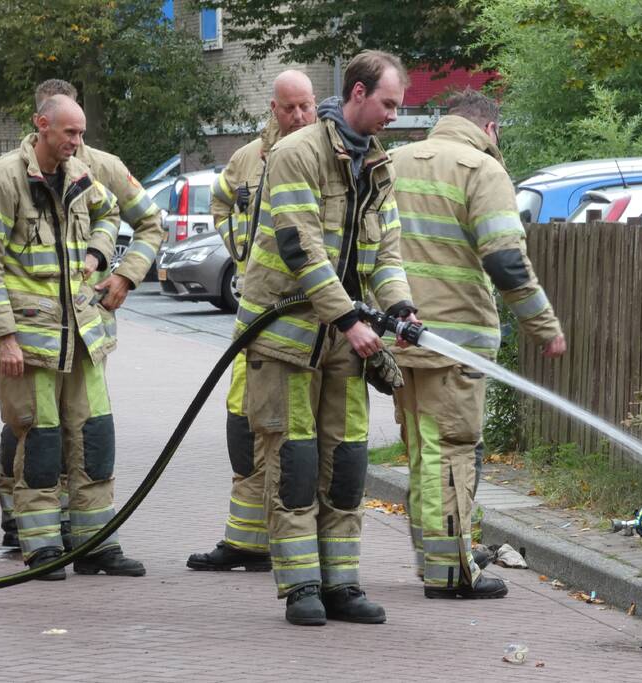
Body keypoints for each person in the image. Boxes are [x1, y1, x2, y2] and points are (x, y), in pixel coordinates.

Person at [237, 50, 416, 625]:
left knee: (347, 463)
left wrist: (400, 309)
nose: (394, 115)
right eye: (388, 103)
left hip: (345, 342)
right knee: (295, 462)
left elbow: (385, 254)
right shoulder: (297, 153)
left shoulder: (377, 166)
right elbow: (301, 248)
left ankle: (341, 583)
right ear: (358, 95)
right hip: (287, 340)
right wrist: (350, 320)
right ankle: (300, 588)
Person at [0, 79, 165, 551]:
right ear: (41, 123)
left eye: (81, 133)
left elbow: (113, 213)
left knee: (95, 437)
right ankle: (40, 545)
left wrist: (104, 261)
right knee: (40, 443)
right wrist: (6, 337)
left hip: (83, 337)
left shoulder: (86, 172)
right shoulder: (3, 179)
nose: (78, 142)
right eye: (70, 132)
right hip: (32, 343)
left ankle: (95, 544)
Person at [389, 88, 567, 599]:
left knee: (423, 451)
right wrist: (544, 327)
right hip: (456, 342)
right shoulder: (482, 170)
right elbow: (505, 261)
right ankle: (450, 574)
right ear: (490, 128)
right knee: (453, 451)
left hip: (399, 337)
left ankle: (431, 560)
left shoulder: (393, 162)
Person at [187, 70, 317, 572]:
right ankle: (244, 540)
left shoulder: (323, 155)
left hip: (304, 318)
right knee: (244, 426)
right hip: (255, 317)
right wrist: (239, 247)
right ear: (273, 107)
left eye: (306, 106)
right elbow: (221, 201)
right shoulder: (248, 158)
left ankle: (286, 544)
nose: (300, 117)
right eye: (290, 108)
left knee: (290, 436)